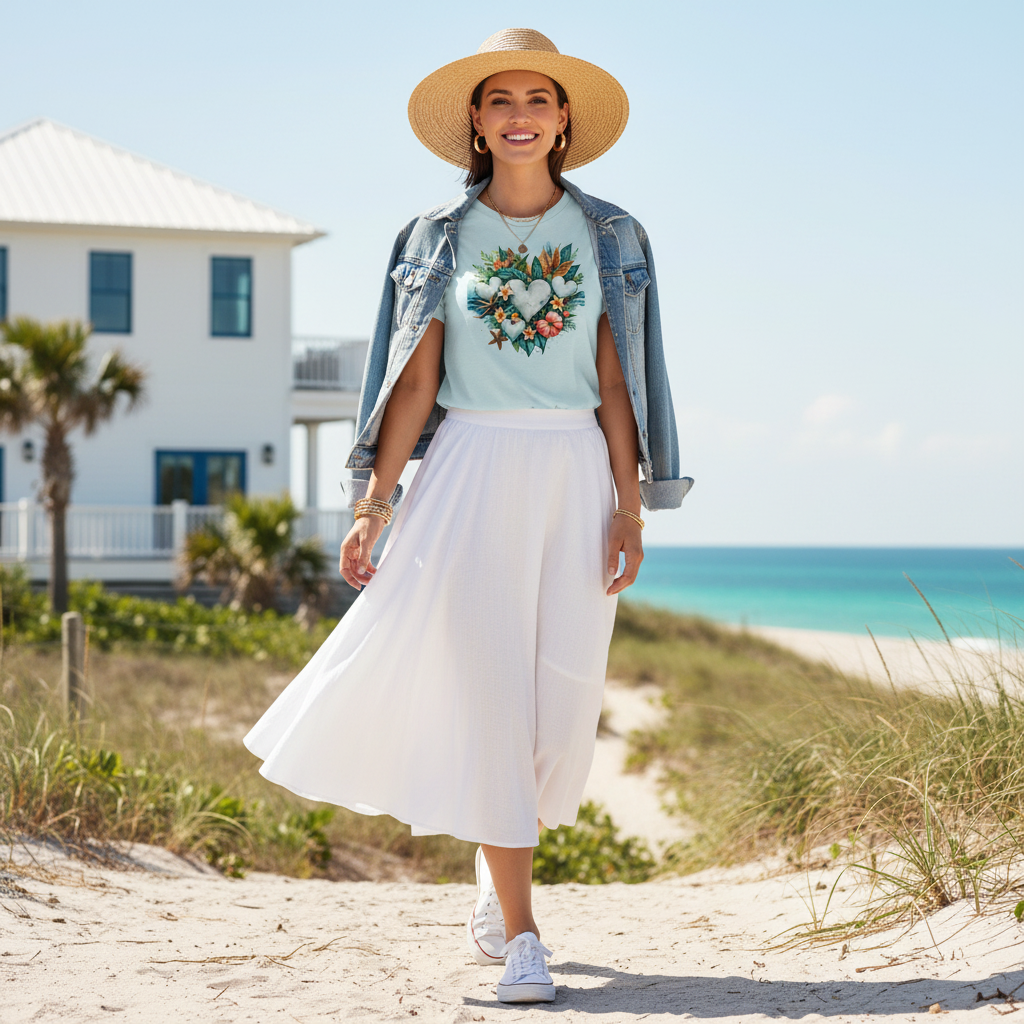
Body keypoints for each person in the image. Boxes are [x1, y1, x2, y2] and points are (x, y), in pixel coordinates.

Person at [244, 27, 692, 1005]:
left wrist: (631, 509)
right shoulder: (434, 238)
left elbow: (619, 382)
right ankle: (526, 937)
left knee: (555, 704)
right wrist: (373, 503)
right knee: (492, 694)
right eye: (501, 101)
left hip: (575, 471)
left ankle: (494, 877)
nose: (521, 115)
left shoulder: (613, 237)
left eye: (539, 99)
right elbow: (413, 387)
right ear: (477, 124)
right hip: (469, 471)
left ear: (564, 117)